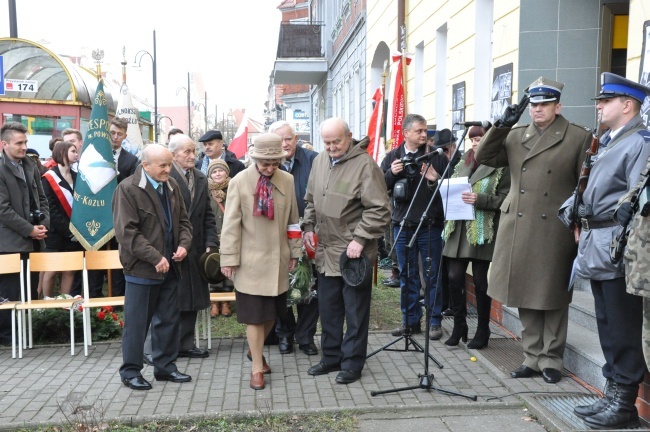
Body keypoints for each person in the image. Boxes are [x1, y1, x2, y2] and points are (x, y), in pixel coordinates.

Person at [475, 77, 591, 384]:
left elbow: (585, 185)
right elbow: (483, 157)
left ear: (558, 106)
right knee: (525, 293)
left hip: (554, 225)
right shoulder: (514, 136)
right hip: (519, 224)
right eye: (534, 105)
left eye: (544, 105)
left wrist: (580, 223)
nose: (537, 110)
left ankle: (552, 359)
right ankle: (531, 356)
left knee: (551, 295)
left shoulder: (577, 137)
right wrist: (500, 126)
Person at [560, 73, 650, 429]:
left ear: (627, 105)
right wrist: (574, 209)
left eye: (605, 101)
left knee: (623, 327)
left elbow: (637, 202)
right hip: (598, 245)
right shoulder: (611, 141)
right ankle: (611, 394)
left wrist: (620, 240)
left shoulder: (640, 142)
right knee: (607, 325)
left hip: (619, 248)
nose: (598, 106)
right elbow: (591, 187)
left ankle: (624, 402)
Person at [303, 118, 390, 385]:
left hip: (354, 254)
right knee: (328, 308)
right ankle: (331, 357)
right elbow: (310, 199)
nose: (331, 147)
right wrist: (308, 227)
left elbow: (380, 209)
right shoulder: (319, 161)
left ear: (349, 137)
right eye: (326, 142)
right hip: (326, 251)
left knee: (354, 311)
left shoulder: (365, 165)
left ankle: (352, 363)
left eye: (336, 141)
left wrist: (361, 239)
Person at [220, 133, 302, 391]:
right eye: (265, 163)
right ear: (255, 159)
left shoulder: (287, 180)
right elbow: (231, 223)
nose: (269, 168)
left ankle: (253, 349)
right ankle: (257, 366)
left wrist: (295, 252)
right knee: (255, 317)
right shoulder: (240, 181)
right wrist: (229, 258)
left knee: (273, 315)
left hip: (278, 259)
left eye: (275, 163)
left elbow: (293, 220)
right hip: (250, 261)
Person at [113, 144, 193, 391]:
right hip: (143, 269)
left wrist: (183, 245)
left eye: (170, 164)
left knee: (168, 320)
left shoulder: (171, 186)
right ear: (145, 165)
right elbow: (127, 233)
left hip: (171, 266)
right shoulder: (127, 189)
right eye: (163, 165)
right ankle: (131, 371)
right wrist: (155, 257)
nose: (168, 169)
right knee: (138, 323)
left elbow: (184, 223)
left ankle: (165, 367)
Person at [143, 134, 218, 364]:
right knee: (167, 301)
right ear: (172, 154)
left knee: (192, 297)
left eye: (194, 151)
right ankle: (153, 348)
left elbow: (207, 215)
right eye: (187, 152)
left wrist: (210, 243)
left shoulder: (201, 178)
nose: (193, 156)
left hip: (195, 248)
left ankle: (185, 344)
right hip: (170, 249)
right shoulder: (163, 176)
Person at [441, 125, 510, 348]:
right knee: (453, 276)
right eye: (472, 139)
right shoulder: (464, 161)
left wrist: (480, 199)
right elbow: (452, 187)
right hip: (457, 227)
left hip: (481, 228)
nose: (474, 143)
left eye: (479, 139)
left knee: (480, 281)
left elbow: (506, 198)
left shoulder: (501, 163)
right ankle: (459, 325)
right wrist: (437, 182)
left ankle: (483, 329)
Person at [380, 113, 447, 341]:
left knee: (431, 275)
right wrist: (391, 173)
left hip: (429, 226)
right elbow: (379, 189)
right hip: (402, 225)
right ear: (405, 133)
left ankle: (435, 322)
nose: (424, 135)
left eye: (425, 130)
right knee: (407, 276)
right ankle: (410, 322)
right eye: (419, 131)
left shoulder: (435, 157)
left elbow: (449, 193)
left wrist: (434, 180)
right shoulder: (392, 157)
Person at [268, 120, 320, 356]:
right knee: (281, 287)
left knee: (310, 289)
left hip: (310, 233)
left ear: (296, 139)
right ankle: (285, 333)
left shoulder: (314, 160)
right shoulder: (268, 164)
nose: (284, 144)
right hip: (277, 237)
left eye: (288, 138)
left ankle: (306, 336)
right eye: (279, 140)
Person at [0, 122, 49, 344]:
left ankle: (26, 334)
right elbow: (3, 209)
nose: (24, 147)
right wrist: (29, 229)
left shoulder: (30, 164)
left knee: (30, 291)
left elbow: (42, 199)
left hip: (33, 241)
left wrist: (43, 225)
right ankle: (8, 338)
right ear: (4, 144)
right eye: (19, 143)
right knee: (10, 295)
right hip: (9, 245)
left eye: (25, 142)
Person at [87, 117, 138, 298]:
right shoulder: (94, 154)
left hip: (120, 214)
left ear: (125, 136)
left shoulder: (131, 160)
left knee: (118, 255)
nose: (115, 137)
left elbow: (133, 186)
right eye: (112, 133)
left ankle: (117, 297)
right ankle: (94, 295)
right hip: (97, 214)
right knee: (97, 256)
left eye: (119, 134)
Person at [40, 141, 82, 297]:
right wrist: (68, 230)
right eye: (73, 151)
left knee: (69, 271)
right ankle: (48, 307)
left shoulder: (78, 177)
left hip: (74, 235)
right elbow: (50, 209)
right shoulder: (48, 178)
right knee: (50, 272)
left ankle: (64, 307)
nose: (77, 154)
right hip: (56, 234)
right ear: (63, 153)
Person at [433, 129, 462, 317]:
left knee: (453, 265)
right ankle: (443, 303)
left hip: (457, 215)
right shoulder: (440, 158)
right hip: (442, 215)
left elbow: (457, 183)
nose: (442, 151)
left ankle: (453, 303)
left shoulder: (461, 159)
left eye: (444, 148)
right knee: (442, 264)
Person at [206, 159, 234, 317]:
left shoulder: (233, 188)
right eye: (214, 172)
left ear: (227, 172)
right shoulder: (207, 190)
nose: (218, 174)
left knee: (229, 267)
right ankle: (214, 303)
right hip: (213, 236)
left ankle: (226, 302)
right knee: (214, 266)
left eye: (220, 171)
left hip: (229, 235)